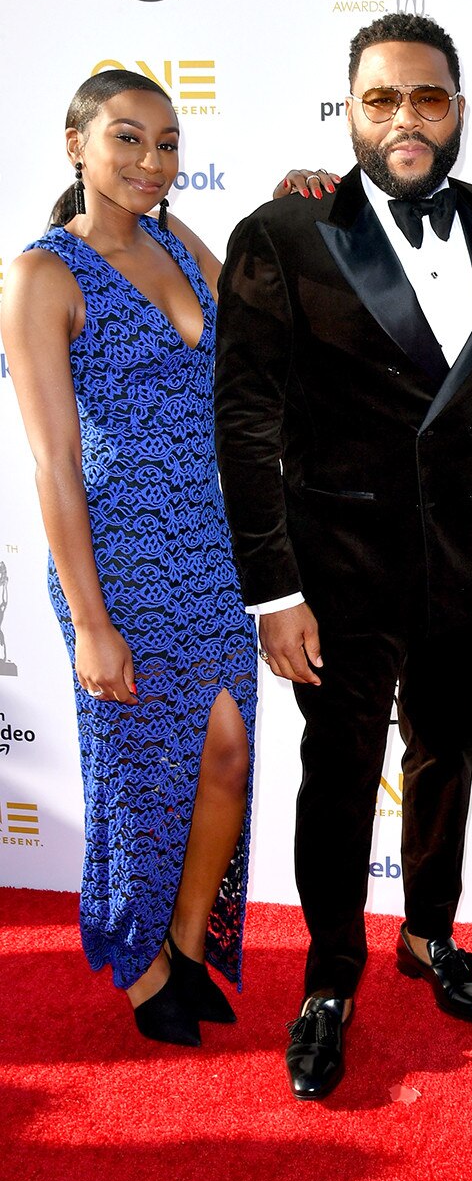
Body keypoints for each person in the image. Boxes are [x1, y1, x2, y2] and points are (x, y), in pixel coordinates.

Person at [215, 13, 472, 1101]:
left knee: (448, 747)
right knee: (343, 772)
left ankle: (431, 933)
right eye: (383, 99)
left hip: (468, 555)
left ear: (458, 108)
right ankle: (330, 974)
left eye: (428, 98)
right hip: (336, 564)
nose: (407, 118)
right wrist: (274, 588)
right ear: (348, 110)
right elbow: (245, 419)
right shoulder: (282, 232)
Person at [1, 70, 257, 1047]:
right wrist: (92, 623)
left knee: (226, 746)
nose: (151, 162)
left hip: (209, 537)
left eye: (165, 143)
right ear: (76, 143)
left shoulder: (176, 243)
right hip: (117, 553)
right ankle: (140, 961)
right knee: (134, 765)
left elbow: (252, 320)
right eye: (126, 139)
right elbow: (54, 460)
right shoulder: (41, 274)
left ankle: (187, 946)